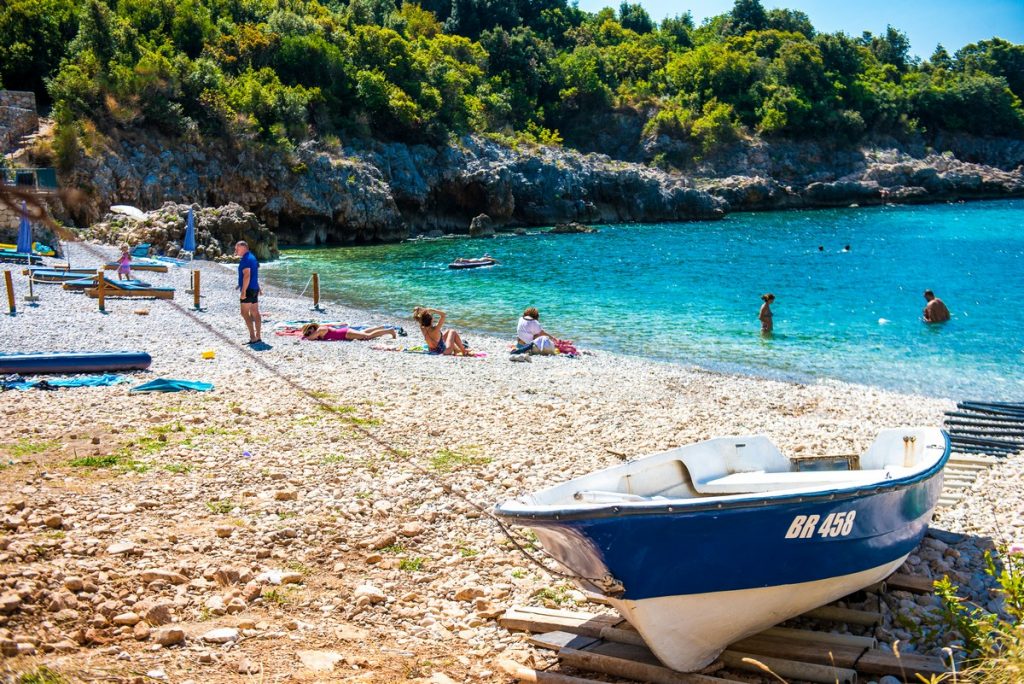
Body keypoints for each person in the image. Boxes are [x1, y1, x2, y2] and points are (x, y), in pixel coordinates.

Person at [236, 241, 261, 344]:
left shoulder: (246, 259)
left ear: (244, 247)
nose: (236, 250)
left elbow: (247, 275)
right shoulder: (252, 257)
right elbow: (255, 273)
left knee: (244, 313)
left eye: (237, 248)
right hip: (254, 288)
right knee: (255, 312)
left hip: (248, 290)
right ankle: (258, 336)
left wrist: (243, 292)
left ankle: (252, 337)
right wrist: (258, 287)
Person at [301, 323, 397, 341]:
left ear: (312, 328)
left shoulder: (320, 330)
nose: (309, 333)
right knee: (363, 332)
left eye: (309, 331)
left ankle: (389, 331)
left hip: (344, 334)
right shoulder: (318, 331)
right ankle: (379, 327)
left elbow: (310, 338)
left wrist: (306, 336)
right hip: (344, 333)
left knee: (367, 336)